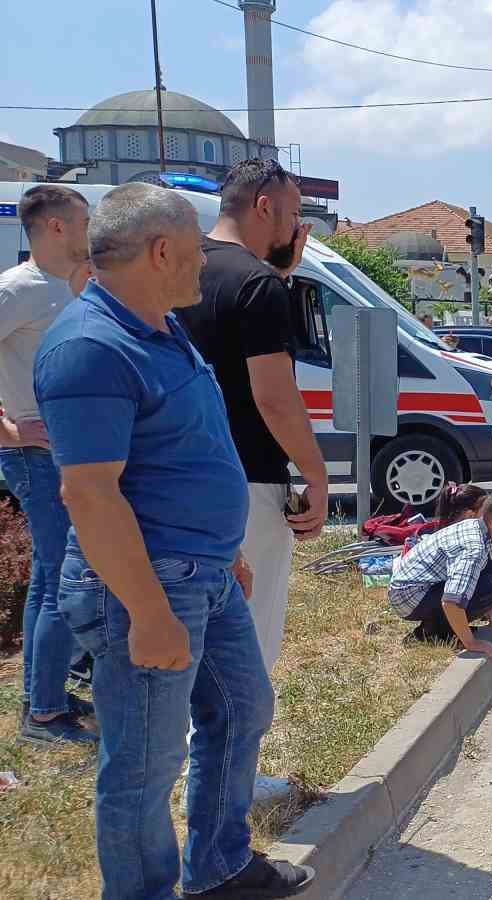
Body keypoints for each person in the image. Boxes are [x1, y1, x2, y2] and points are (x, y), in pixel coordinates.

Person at [38, 183, 314, 898]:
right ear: (162, 252)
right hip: (145, 587)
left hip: (202, 574)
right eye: (194, 253)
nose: (204, 266)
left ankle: (220, 868)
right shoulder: (90, 347)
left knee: (242, 708)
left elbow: (189, 451)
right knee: (143, 766)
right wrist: (151, 612)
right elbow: (90, 496)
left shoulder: (161, 327)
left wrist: (224, 550)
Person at [177, 158, 328, 677]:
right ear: (263, 207)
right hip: (247, 482)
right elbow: (274, 398)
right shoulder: (257, 286)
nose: (295, 228)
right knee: (246, 641)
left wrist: (279, 274)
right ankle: (232, 759)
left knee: (192, 634)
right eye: (291, 215)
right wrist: (316, 474)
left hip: (176, 477)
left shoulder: (178, 269)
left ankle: (199, 752)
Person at [0, 185, 96, 746]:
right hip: (35, 457)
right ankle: (44, 716)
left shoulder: (75, 285)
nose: (91, 229)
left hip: (70, 453)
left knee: (46, 578)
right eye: (84, 219)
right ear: (56, 226)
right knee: (65, 578)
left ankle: (46, 694)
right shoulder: (17, 290)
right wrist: (9, 428)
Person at [387, 489, 492, 651]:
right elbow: (451, 601)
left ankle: (440, 624)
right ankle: (435, 632)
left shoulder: (480, 528)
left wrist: (491, 609)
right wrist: (472, 643)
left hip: (419, 588)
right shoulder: (473, 549)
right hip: (409, 598)